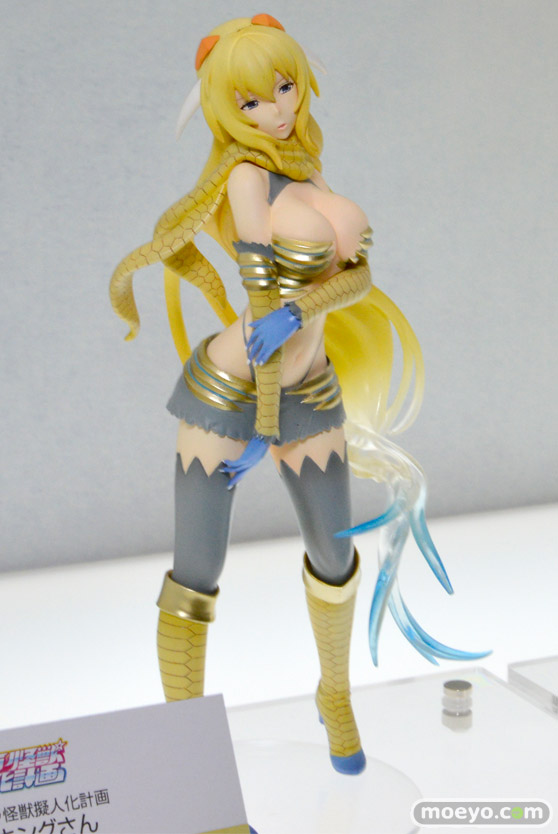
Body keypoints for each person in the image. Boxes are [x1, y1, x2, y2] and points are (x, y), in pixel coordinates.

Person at [110, 14, 487, 776]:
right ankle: (187, 756)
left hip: (308, 386)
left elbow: (358, 278)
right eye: (252, 101)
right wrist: (262, 425)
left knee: (335, 553)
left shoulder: (308, 165)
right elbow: (261, 317)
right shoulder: (245, 179)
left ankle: (334, 694)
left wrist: (302, 309)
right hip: (235, 390)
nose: (276, 109)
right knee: (196, 572)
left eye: (284, 88)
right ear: (226, 110)